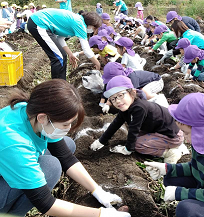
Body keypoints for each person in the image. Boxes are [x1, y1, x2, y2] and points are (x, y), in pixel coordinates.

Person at [0, 79, 131, 217]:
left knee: (68, 144)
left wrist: (98, 191)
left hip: (8, 165)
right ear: (43, 118)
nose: (68, 129)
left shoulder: (31, 111)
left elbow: (65, 156)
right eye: (65, 124)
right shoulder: (15, 143)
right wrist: (101, 214)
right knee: (51, 167)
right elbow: (45, 203)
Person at [90, 75, 184, 164]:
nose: (117, 101)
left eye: (120, 95)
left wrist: (127, 149)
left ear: (132, 93)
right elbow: (115, 124)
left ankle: (169, 153)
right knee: (134, 138)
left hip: (173, 136)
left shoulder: (139, 108)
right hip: (160, 131)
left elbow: (134, 130)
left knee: (136, 144)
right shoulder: (127, 108)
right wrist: (100, 141)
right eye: (113, 99)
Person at [28, 9, 101, 79]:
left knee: (62, 56)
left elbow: (60, 38)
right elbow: (86, 50)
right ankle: (57, 87)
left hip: (38, 22)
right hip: (39, 23)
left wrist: (70, 54)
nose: (93, 31)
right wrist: (97, 63)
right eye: (94, 28)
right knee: (58, 57)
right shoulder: (80, 24)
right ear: (91, 24)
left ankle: (61, 84)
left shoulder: (78, 21)